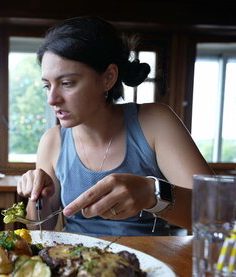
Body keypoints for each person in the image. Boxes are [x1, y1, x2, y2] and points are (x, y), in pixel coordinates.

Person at [17, 16, 213, 237]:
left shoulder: (154, 122)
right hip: (74, 265)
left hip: (151, 264)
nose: (52, 99)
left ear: (108, 78)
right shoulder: (52, 141)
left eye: (67, 83)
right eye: (47, 85)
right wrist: (39, 199)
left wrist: (152, 194)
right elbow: (40, 230)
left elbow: (218, 215)